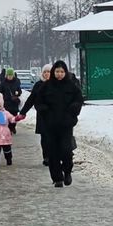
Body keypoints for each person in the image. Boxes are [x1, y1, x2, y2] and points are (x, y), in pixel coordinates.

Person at [35, 59, 83, 188]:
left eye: (62, 71)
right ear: (53, 72)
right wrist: (45, 111)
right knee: (53, 152)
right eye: (57, 71)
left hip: (66, 125)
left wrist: (73, 110)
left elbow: (79, 100)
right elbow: (38, 102)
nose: (59, 74)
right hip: (50, 125)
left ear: (65, 72)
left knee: (66, 150)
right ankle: (57, 178)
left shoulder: (71, 86)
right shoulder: (46, 86)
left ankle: (67, 171)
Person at [18, 64, 51, 165]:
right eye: (44, 72)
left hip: (55, 116)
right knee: (45, 138)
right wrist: (23, 112)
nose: (46, 74)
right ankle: (46, 157)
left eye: (48, 72)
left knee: (54, 137)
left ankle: (54, 156)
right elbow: (31, 99)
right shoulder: (38, 85)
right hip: (42, 116)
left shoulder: (57, 84)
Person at [0, 67, 22, 134]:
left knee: (14, 116)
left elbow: (19, 90)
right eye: (8, 75)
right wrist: (1, 97)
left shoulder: (17, 82)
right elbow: (0, 91)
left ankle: (13, 127)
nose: (10, 77)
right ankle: (9, 128)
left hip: (14, 102)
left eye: (11, 75)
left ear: (13, 75)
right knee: (7, 117)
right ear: (6, 75)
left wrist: (18, 93)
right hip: (6, 102)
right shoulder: (3, 82)